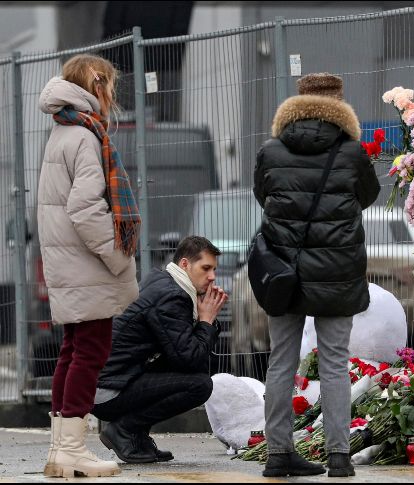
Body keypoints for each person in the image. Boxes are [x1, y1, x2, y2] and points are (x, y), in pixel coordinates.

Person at [253, 72, 380, 478]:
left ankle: (278, 454)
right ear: (340, 105)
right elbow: (368, 196)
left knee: (281, 363)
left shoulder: (271, 151)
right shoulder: (352, 153)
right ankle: (339, 457)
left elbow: (263, 195)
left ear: (298, 101)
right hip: (337, 271)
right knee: (335, 364)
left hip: (283, 272)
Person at [38, 53, 140, 478]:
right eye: (111, 85)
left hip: (68, 262)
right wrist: (118, 257)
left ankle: (62, 449)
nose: (112, 95)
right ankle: (73, 450)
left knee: (73, 350)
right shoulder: (84, 136)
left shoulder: (63, 130)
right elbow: (84, 209)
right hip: (87, 264)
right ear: (97, 86)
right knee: (91, 352)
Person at [91, 236, 228, 464]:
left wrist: (206, 322)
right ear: (185, 264)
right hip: (108, 391)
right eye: (206, 268)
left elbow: (184, 353)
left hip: (115, 380)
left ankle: (137, 436)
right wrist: (205, 321)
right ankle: (124, 431)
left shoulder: (166, 282)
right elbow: (189, 359)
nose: (212, 276)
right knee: (200, 385)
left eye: (214, 269)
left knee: (191, 373)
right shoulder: (172, 296)